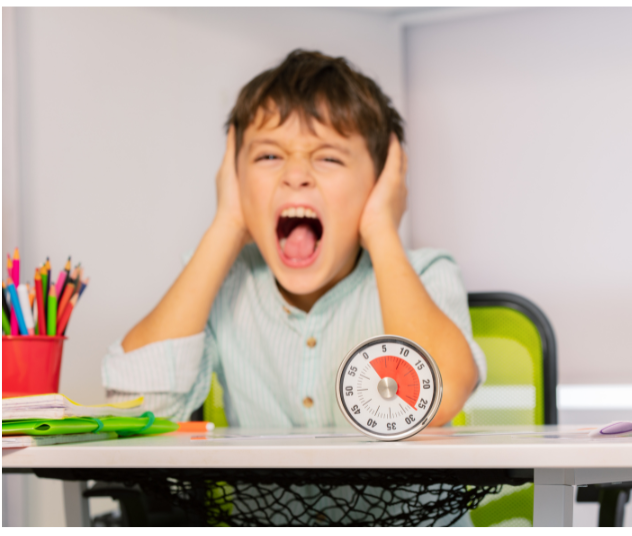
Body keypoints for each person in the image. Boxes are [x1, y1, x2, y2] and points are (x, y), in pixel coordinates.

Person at [102, 48, 485, 435]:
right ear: (234, 178)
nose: (296, 175)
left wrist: (382, 230)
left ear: (381, 182)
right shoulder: (223, 281)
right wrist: (229, 223)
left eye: (329, 159)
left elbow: (438, 397)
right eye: (269, 156)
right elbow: (134, 409)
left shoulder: (427, 274)